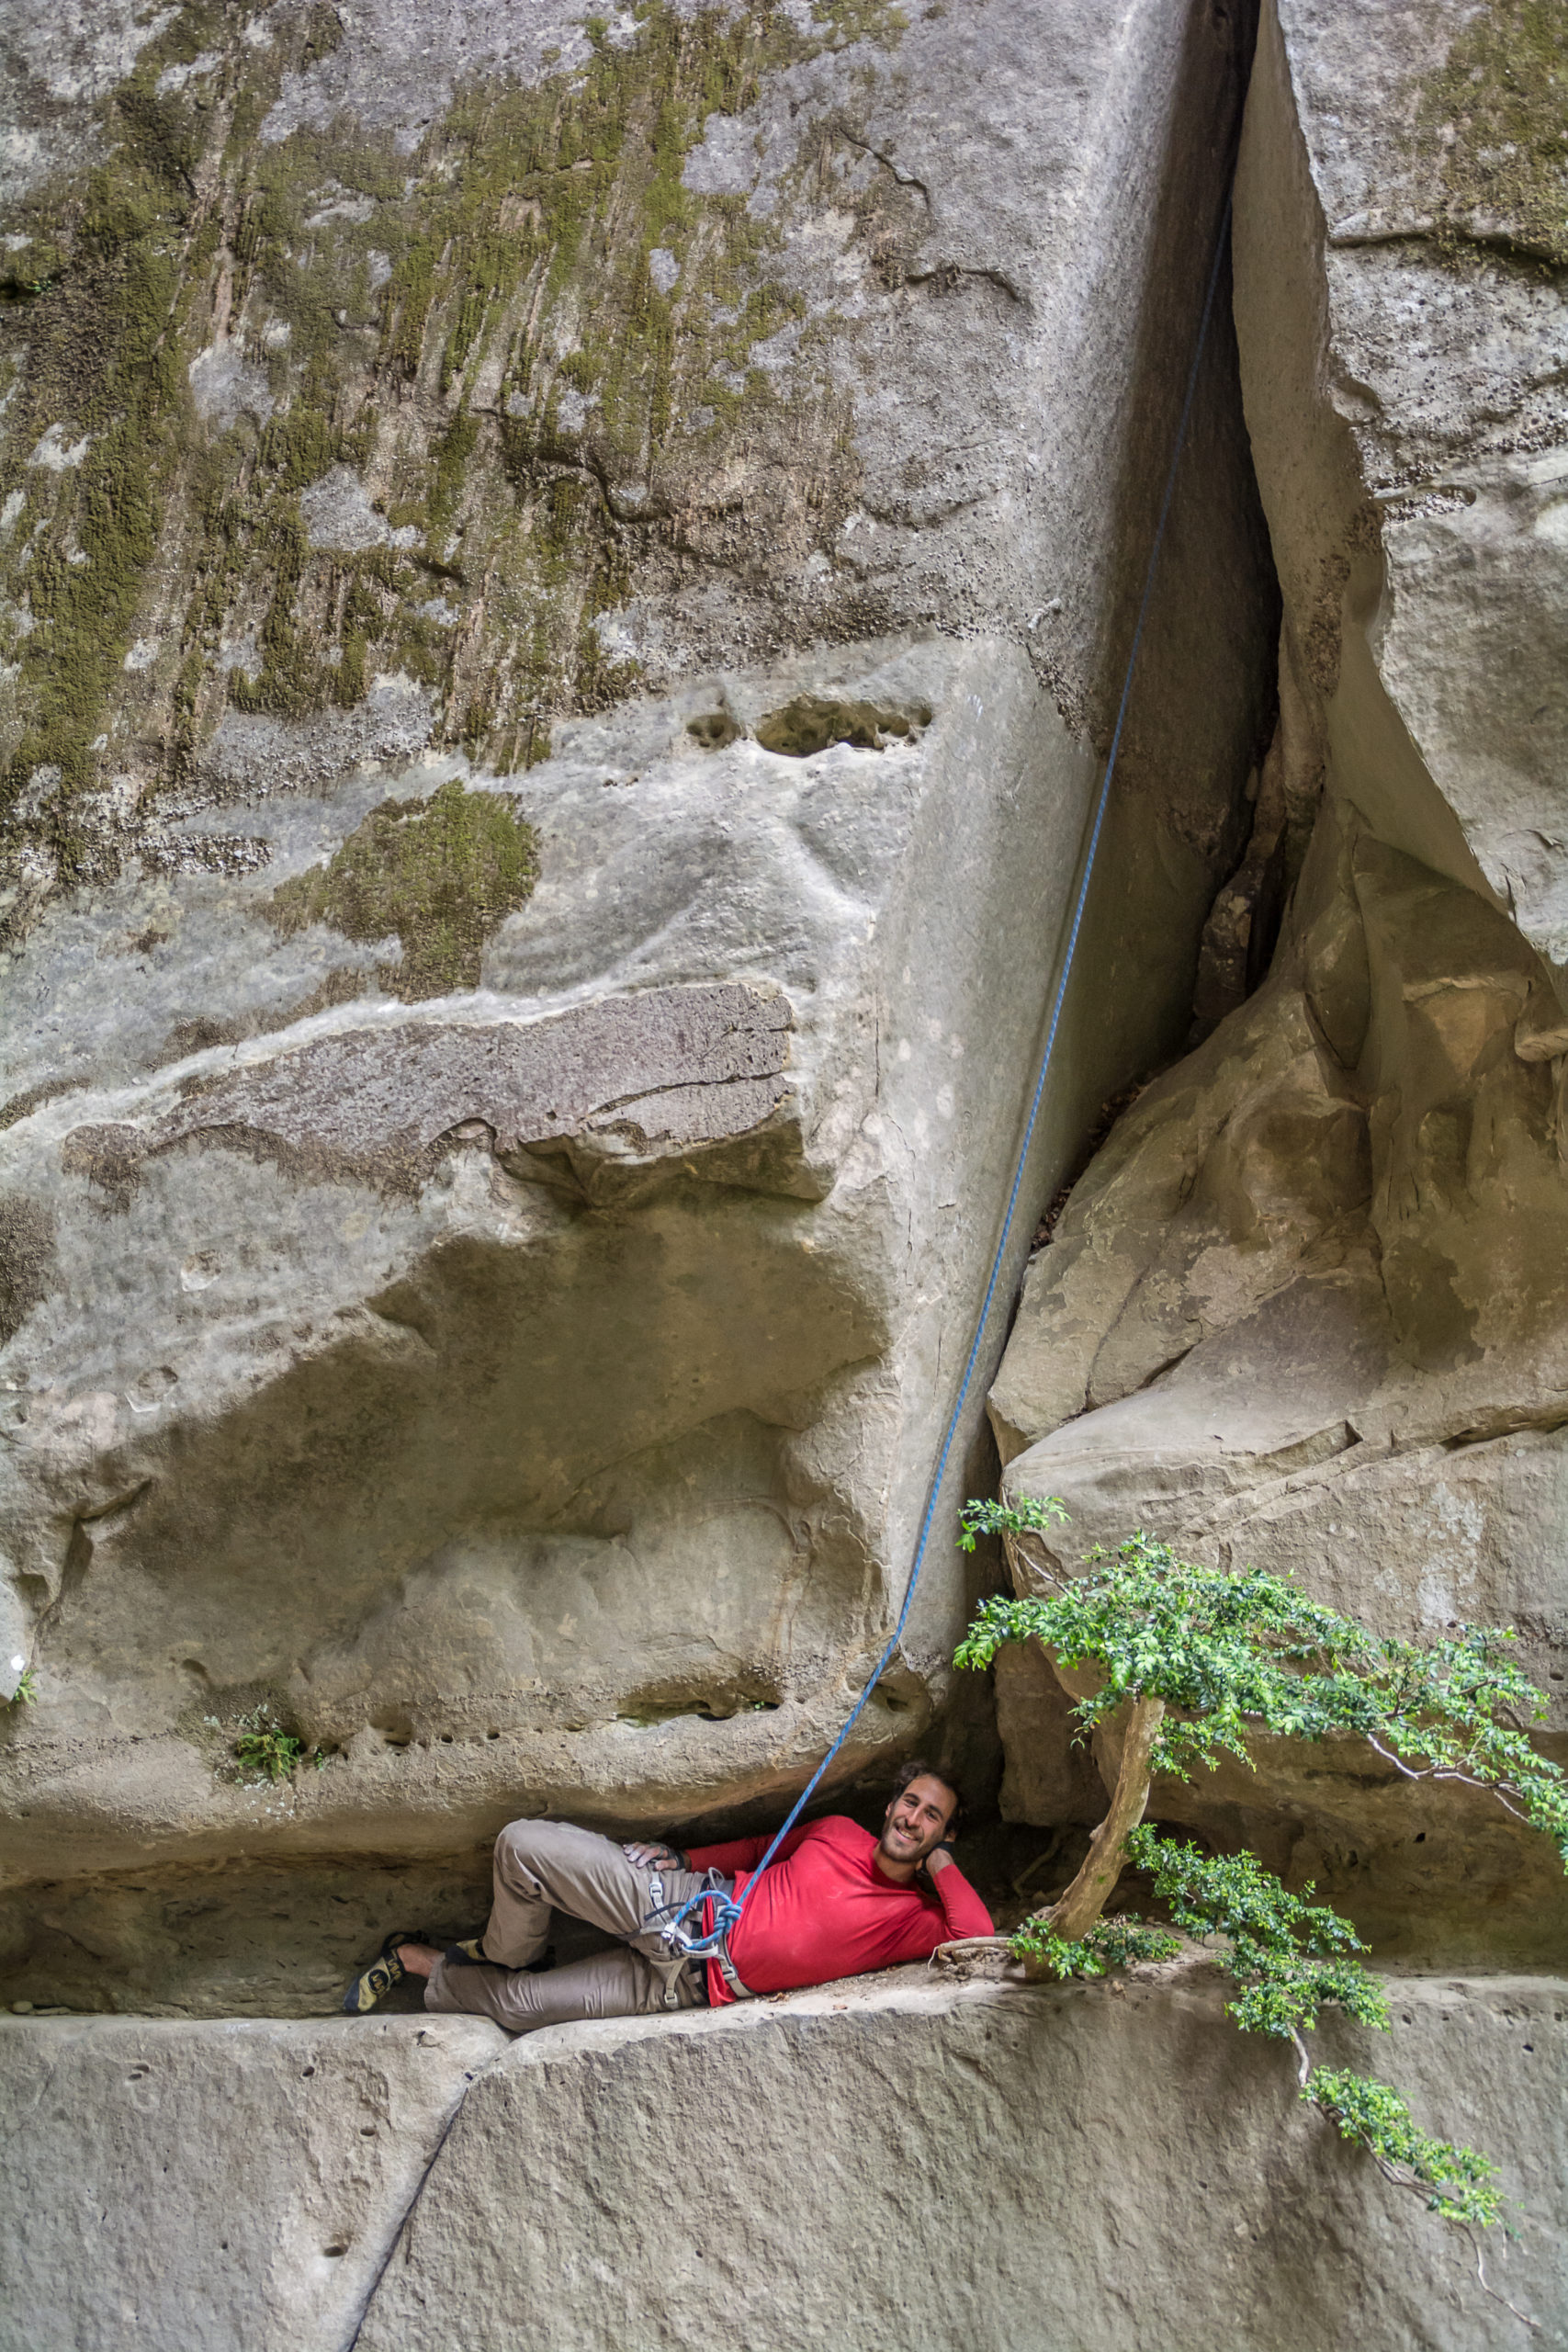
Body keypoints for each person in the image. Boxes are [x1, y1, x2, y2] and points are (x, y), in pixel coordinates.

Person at [344, 1760, 993, 2033]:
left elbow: (976, 1934)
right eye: (910, 1802)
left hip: (686, 1988)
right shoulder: (839, 1831)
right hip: (681, 1904)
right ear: (891, 1802)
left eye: (931, 1816)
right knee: (522, 1844)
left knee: (519, 2008)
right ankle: (508, 1950)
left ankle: (422, 1962)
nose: (913, 1819)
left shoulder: (915, 1920)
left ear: (945, 1832)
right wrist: (684, 1859)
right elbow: (760, 1847)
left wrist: (939, 1861)